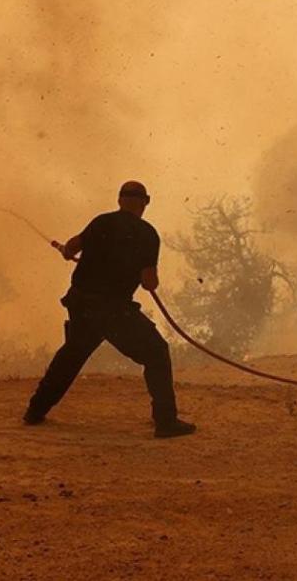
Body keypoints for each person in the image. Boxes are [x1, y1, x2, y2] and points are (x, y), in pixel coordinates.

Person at [24, 180, 197, 438]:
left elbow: (71, 247)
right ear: (144, 202)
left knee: (72, 355)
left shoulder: (101, 222)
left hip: (82, 304)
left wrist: (67, 252)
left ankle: (35, 411)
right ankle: (166, 421)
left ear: (119, 200)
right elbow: (149, 282)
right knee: (156, 352)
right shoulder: (147, 234)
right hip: (115, 311)